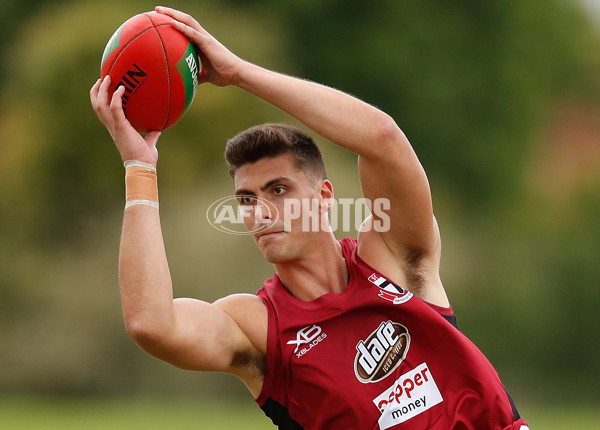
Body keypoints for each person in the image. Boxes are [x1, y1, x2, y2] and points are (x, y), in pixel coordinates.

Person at [90, 6, 529, 430]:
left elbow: (381, 138)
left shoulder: (391, 258)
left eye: (278, 190)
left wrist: (240, 73)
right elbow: (151, 323)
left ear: (323, 197)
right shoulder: (258, 327)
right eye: (246, 199)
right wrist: (140, 168)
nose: (260, 211)